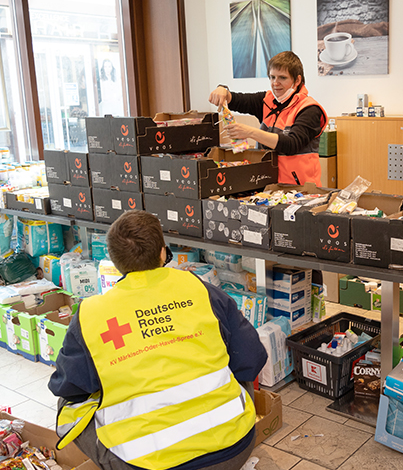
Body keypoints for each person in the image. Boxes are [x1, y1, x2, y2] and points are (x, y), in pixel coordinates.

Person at [48, 210, 267, 470]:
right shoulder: (200, 289)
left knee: (68, 406)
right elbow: (252, 358)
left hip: (147, 464)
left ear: (114, 261)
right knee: (237, 365)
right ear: (163, 253)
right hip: (234, 447)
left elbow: (67, 386)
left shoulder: (91, 313)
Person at [208, 51, 327, 186]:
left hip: (300, 189)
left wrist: (250, 132)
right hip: (267, 186)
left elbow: (291, 144)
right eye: (272, 77)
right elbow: (236, 99)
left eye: (282, 78)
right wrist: (222, 90)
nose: (275, 83)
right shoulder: (266, 101)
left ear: (297, 80)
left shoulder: (310, 109)